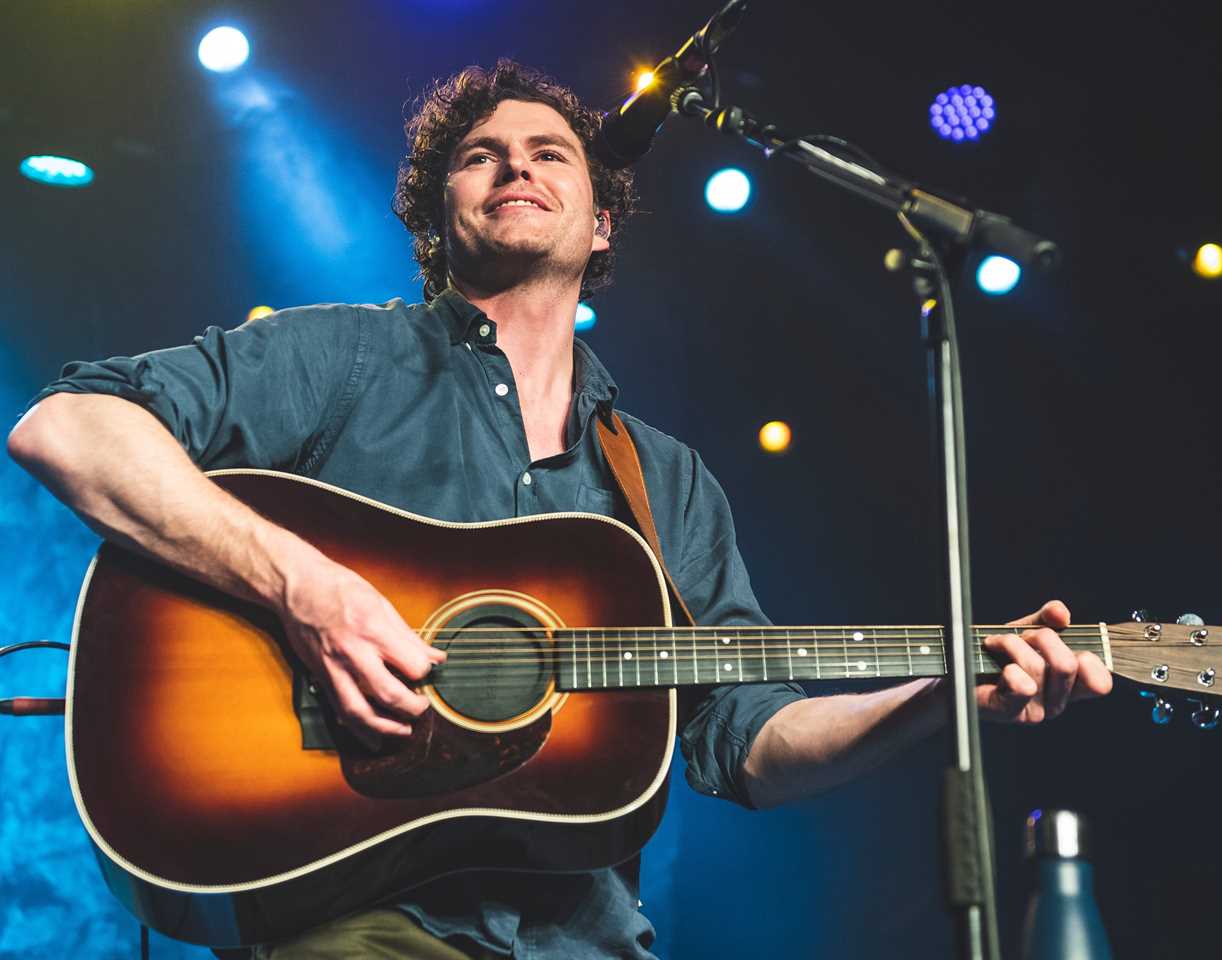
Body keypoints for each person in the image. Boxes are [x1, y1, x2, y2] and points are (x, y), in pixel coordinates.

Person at [7, 61, 1111, 959]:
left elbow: (747, 743)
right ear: (440, 211)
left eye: (549, 153)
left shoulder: (662, 480)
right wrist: (305, 586)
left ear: (601, 225)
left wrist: (942, 693)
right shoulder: (345, 354)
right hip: (351, 921)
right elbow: (65, 425)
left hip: (587, 942)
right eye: (477, 156)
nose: (513, 166)